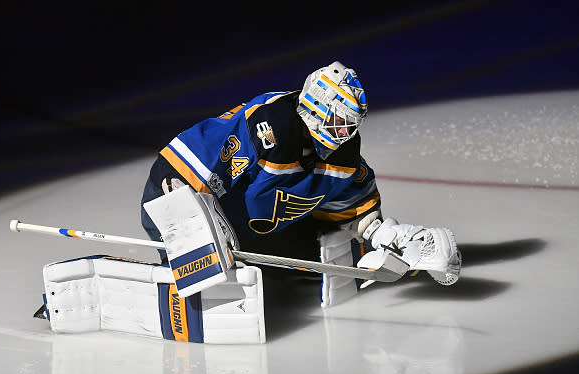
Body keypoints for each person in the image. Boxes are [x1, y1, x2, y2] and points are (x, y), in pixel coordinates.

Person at [141, 61, 461, 307]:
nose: (344, 133)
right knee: (205, 273)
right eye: (338, 121)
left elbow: (351, 197)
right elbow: (192, 161)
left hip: (255, 235)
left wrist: (378, 231)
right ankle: (185, 268)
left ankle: (370, 246)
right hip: (186, 196)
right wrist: (190, 219)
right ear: (315, 106)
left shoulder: (343, 152)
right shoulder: (268, 127)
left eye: (350, 125)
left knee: (312, 257)